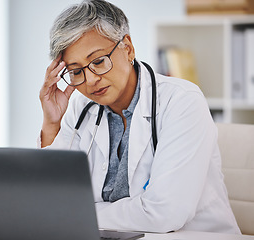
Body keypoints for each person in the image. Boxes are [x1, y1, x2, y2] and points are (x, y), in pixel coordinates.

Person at [38, 0, 241, 234]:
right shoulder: (81, 107)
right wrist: (51, 123)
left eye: (98, 61)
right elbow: (52, 201)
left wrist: (79, 212)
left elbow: (164, 214)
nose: (91, 79)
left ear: (128, 48)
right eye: (76, 71)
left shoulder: (182, 101)